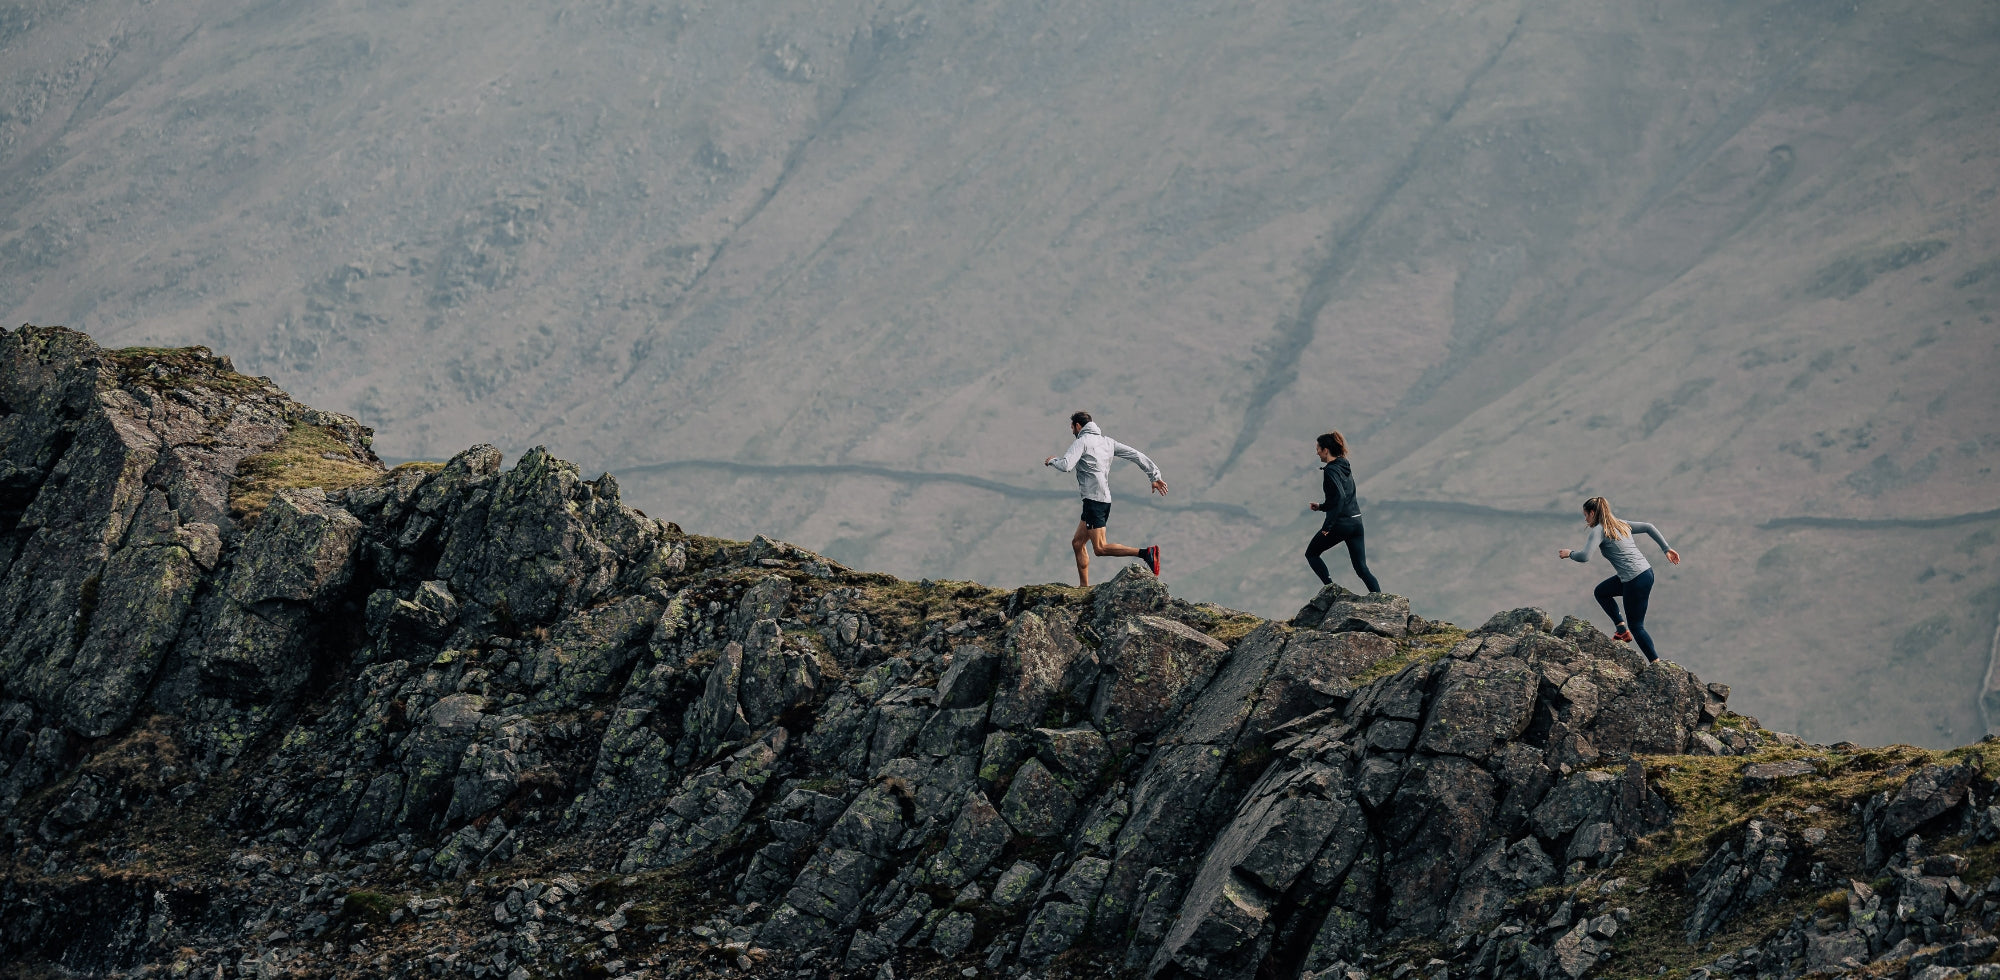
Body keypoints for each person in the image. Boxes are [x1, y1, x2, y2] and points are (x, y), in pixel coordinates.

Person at [1044, 411, 1166, 586]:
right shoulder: (1107, 442)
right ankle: (1084, 587)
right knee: (1078, 543)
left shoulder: (1082, 442)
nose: (1072, 432)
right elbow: (1136, 455)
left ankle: (1146, 553)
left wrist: (1053, 460)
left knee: (1100, 548)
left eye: (1072, 428)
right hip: (1100, 500)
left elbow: (1066, 465)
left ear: (1078, 426)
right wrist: (1154, 476)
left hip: (1094, 501)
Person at [1557, 495, 1681, 662]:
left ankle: (1657, 664)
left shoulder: (1599, 530)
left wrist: (1569, 553)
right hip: (1646, 573)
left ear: (1593, 513)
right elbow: (1649, 527)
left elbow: (1585, 556)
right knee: (1601, 592)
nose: (1585, 519)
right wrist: (1666, 548)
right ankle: (1621, 629)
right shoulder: (1622, 524)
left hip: (1634, 579)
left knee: (1637, 627)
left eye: (1586, 515)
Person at [1305, 431, 1381, 593]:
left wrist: (1328, 526)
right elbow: (1341, 498)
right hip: (1356, 522)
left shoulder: (1330, 471)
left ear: (1326, 450)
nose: (1316, 452)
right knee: (1362, 569)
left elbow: (1339, 497)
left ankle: (1331, 590)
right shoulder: (1344, 465)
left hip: (1341, 524)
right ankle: (1381, 601)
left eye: (1318, 448)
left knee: (1311, 553)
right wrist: (1321, 506)